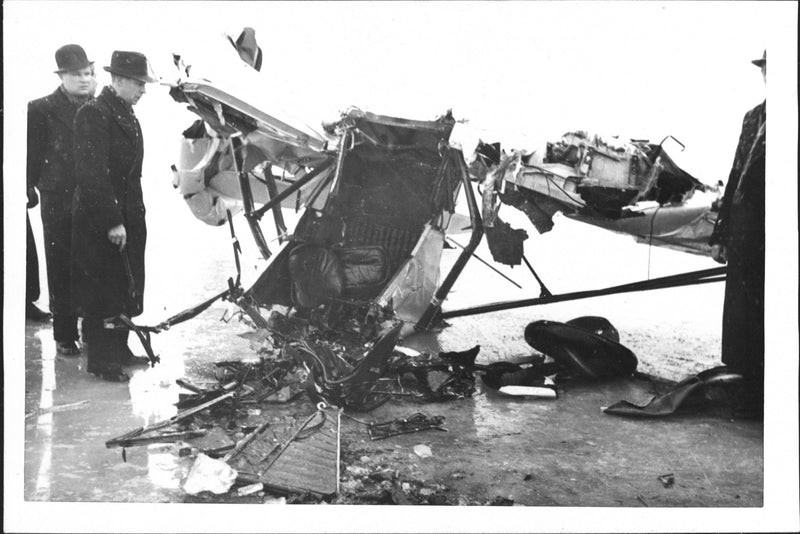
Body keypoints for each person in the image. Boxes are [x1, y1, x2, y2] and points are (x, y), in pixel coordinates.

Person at [72, 50, 156, 381]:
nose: (143, 89)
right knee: (103, 288)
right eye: (138, 83)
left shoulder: (125, 112)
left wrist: (129, 218)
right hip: (102, 219)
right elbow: (91, 173)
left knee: (125, 284)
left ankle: (120, 350)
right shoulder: (94, 113)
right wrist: (112, 221)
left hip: (129, 215)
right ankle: (103, 361)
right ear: (117, 80)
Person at [27, 44, 97, 346]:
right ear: (62, 76)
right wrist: (29, 186)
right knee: (61, 267)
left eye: (87, 73)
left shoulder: (96, 108)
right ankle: (65, 335)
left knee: (90, 266)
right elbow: (32, 153)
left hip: (91, 200)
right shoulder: (41, 108)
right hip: (58, 201)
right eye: (76, 74)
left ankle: (90, 332)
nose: (83, 79)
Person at [710, 50, 766, 418]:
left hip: (776, 232)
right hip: (747, 230)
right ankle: (746, 388)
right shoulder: (753, 117)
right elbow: (735, 175)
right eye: (766, 69)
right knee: (743, 313)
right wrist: (721, 233)